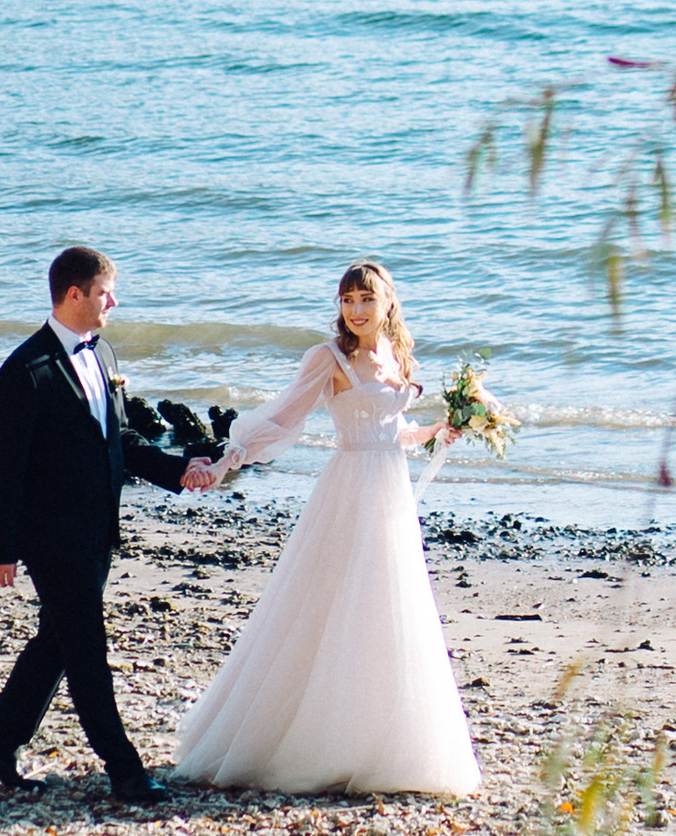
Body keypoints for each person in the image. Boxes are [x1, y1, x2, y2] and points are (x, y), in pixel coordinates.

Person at [173, 259, 480, 799]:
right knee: (328, 602)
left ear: (388, 301)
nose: (356, 311)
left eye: (366, 299)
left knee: (388, 605)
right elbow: (283, 417)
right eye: (347, 301)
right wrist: (224, 463)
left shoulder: (394, 355)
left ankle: (381, 743)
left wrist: (435, 430)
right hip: (348, 490)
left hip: (390, 491)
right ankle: (310, 742)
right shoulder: (329, 356)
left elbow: (393, 431)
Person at [0, 243, 211, 806]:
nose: (114, 301)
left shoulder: (103, 356)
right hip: (49, 537)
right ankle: (124, 771)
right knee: (86, 649)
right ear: (74, 294)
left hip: (97, 530)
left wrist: (180, 470)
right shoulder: (24, 372)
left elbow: (118, 441)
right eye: (106, 292)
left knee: (56, 641)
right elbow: (3, 468)